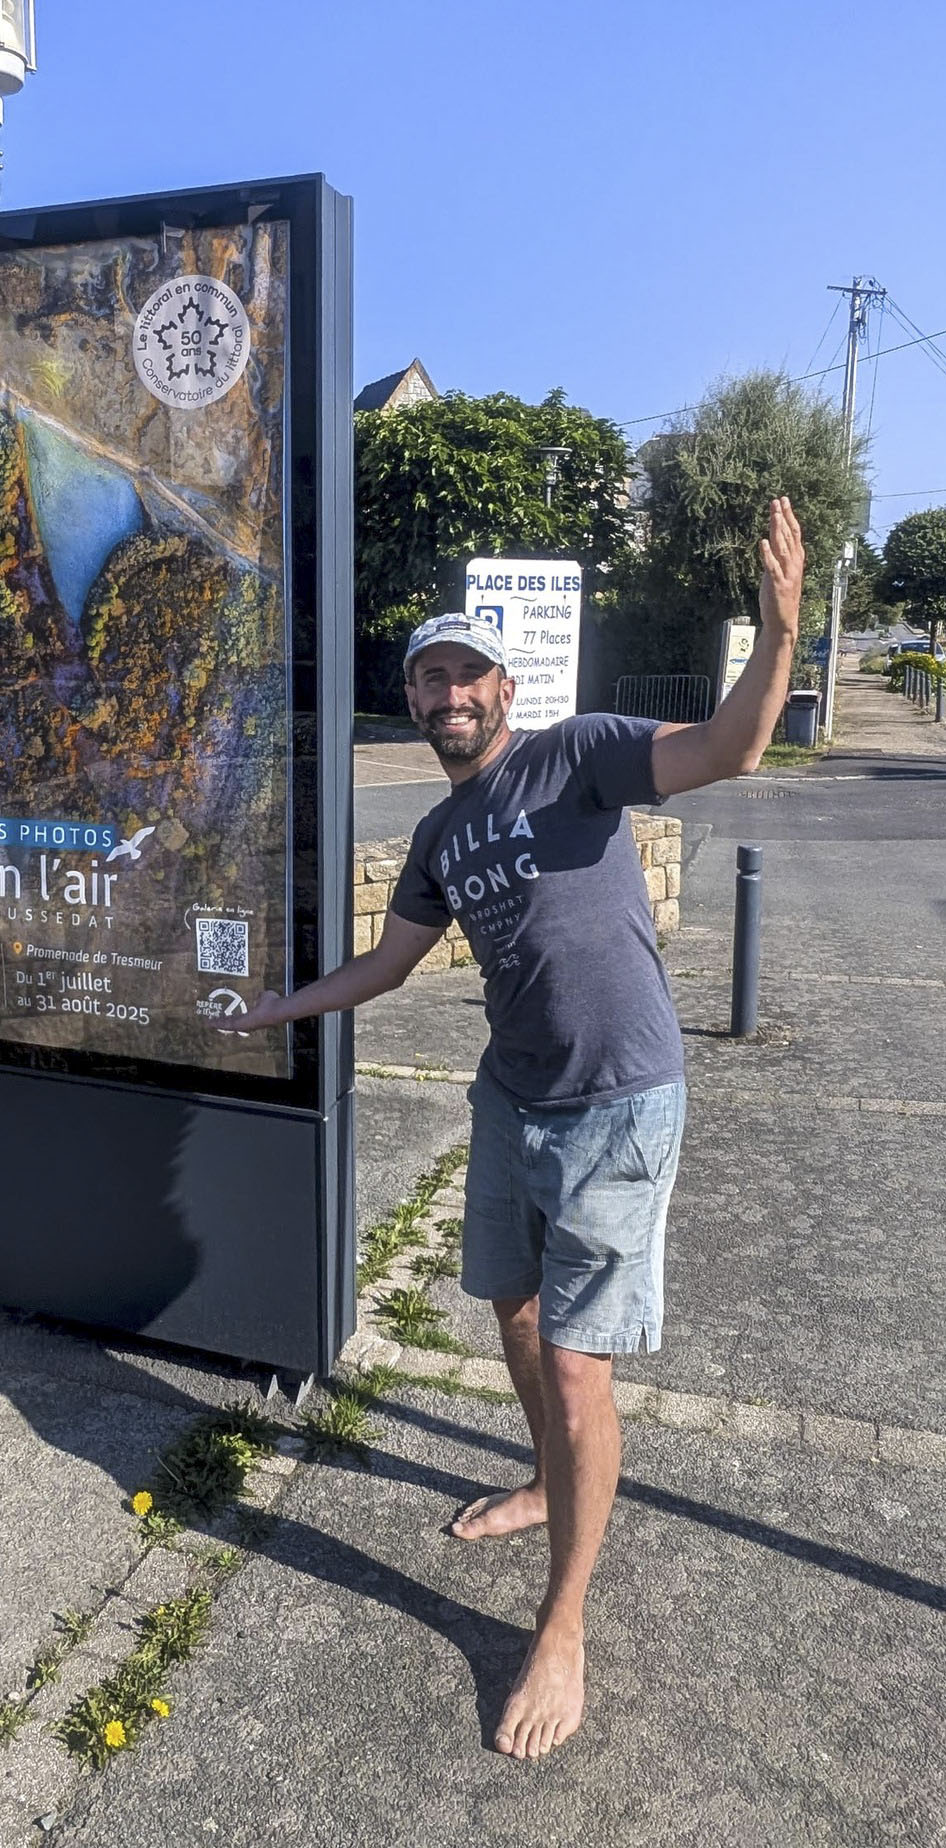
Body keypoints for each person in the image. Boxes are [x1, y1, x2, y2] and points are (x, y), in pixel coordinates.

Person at [219, 498, 806, 1762]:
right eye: (424, 677)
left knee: (583, 1365)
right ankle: (545, 1483)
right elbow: (386, 963)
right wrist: (281, 1005)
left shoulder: (575, 753)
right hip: (511, 1098)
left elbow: (729, 748)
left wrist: (779, 631)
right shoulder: (434, 834)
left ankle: (561, 1623)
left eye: (462, 672)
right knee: (516, 1319)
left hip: (617, 1099)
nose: (443, 694)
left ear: (503, 684)